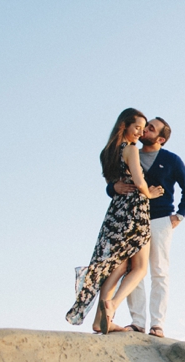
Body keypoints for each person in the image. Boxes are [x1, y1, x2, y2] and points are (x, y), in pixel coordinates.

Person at [66, 108, 164, 333]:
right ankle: (112, 306)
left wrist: (114, 188)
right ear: (125, 126)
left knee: (117, 268)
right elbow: (139, 182)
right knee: (139, 268)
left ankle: (100, 321)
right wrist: (151, 193)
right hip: (134, 211)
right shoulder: (131, 149)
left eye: (143, 128)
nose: (140, 133)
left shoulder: (107, 152)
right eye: (136, 128)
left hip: (115, 212)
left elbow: (113, 182)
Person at [107, 116, 185, 337]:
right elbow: (113, 182)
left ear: (161, 138)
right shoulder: (130, 152)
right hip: (132, 219)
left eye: (151, 128)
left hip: (159, 220)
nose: (145, 130)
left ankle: (157, 324)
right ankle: (137, 322)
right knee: (133, 271)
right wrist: (113, 188)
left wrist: (180, 215)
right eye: (146, 126)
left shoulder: (172, 160)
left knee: (159, 271)